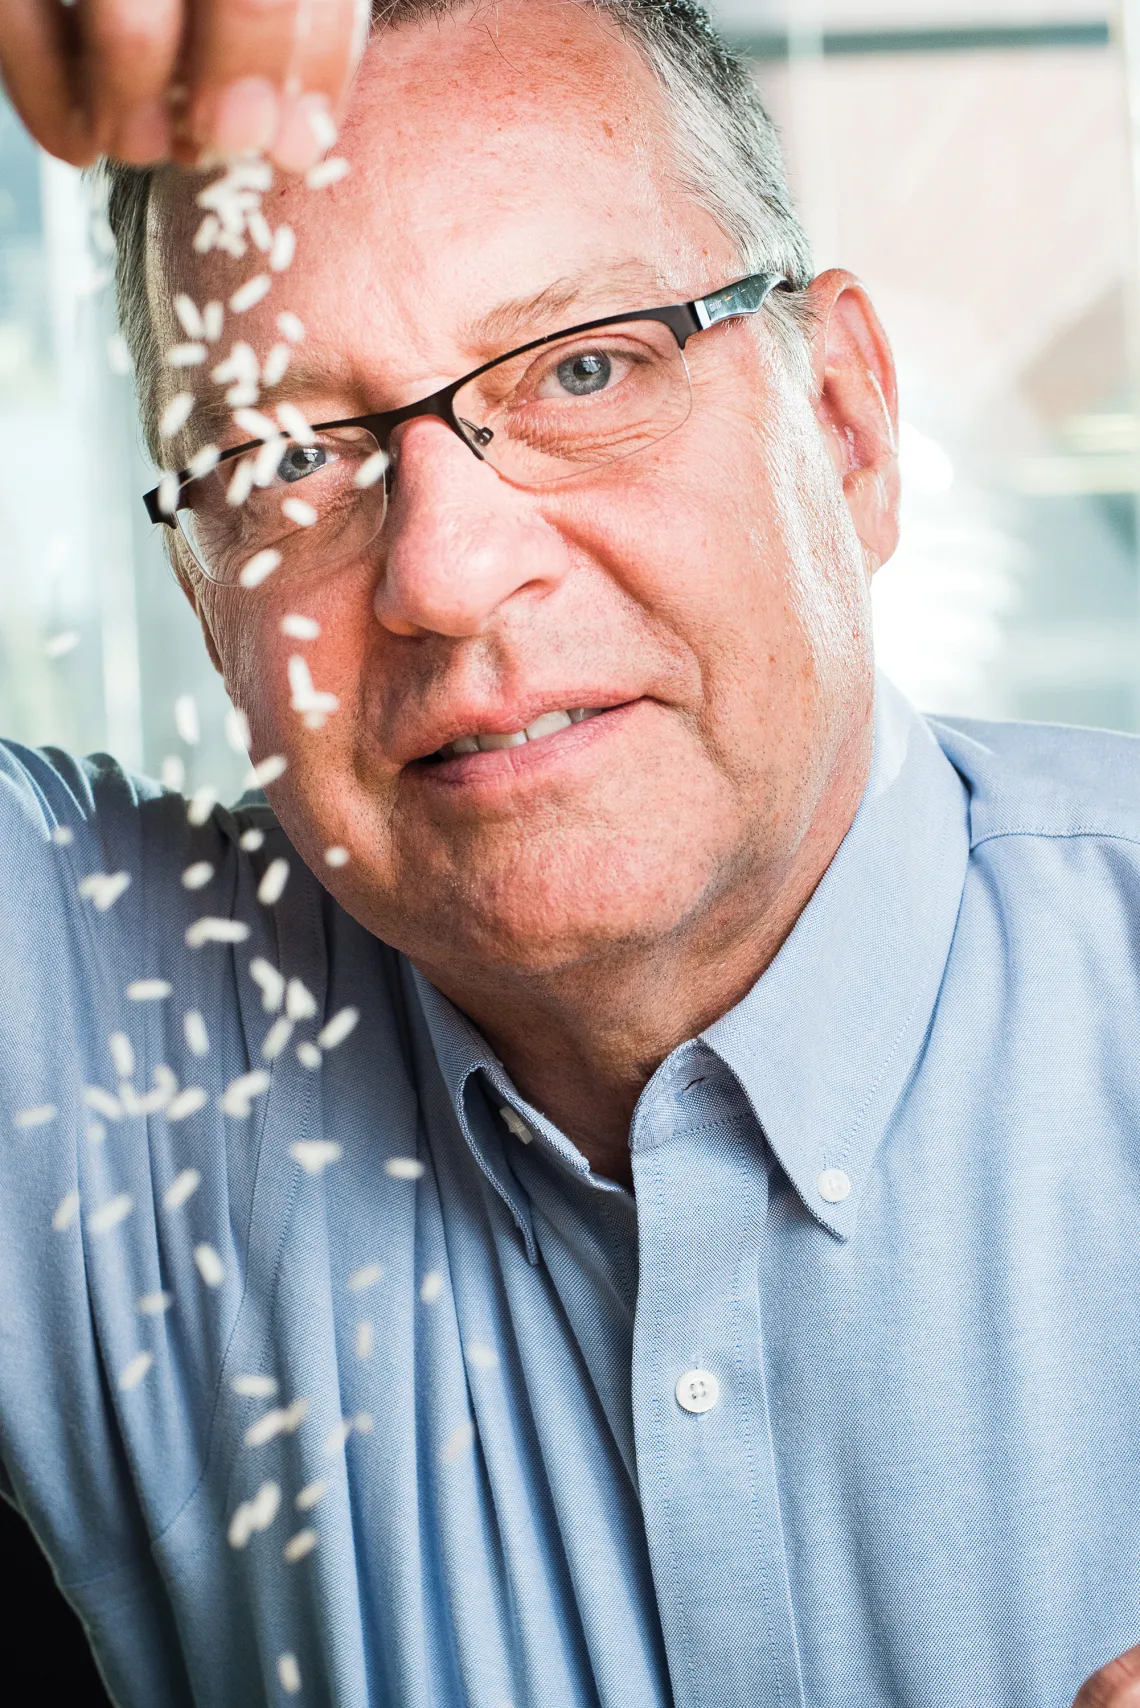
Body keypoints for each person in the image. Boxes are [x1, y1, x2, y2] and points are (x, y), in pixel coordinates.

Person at [0, 2, 1137, 1705]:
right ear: (203, 597)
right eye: (286, 459)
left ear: (844, 423)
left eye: (584, 366)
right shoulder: (107, 1044)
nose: (446, 573)